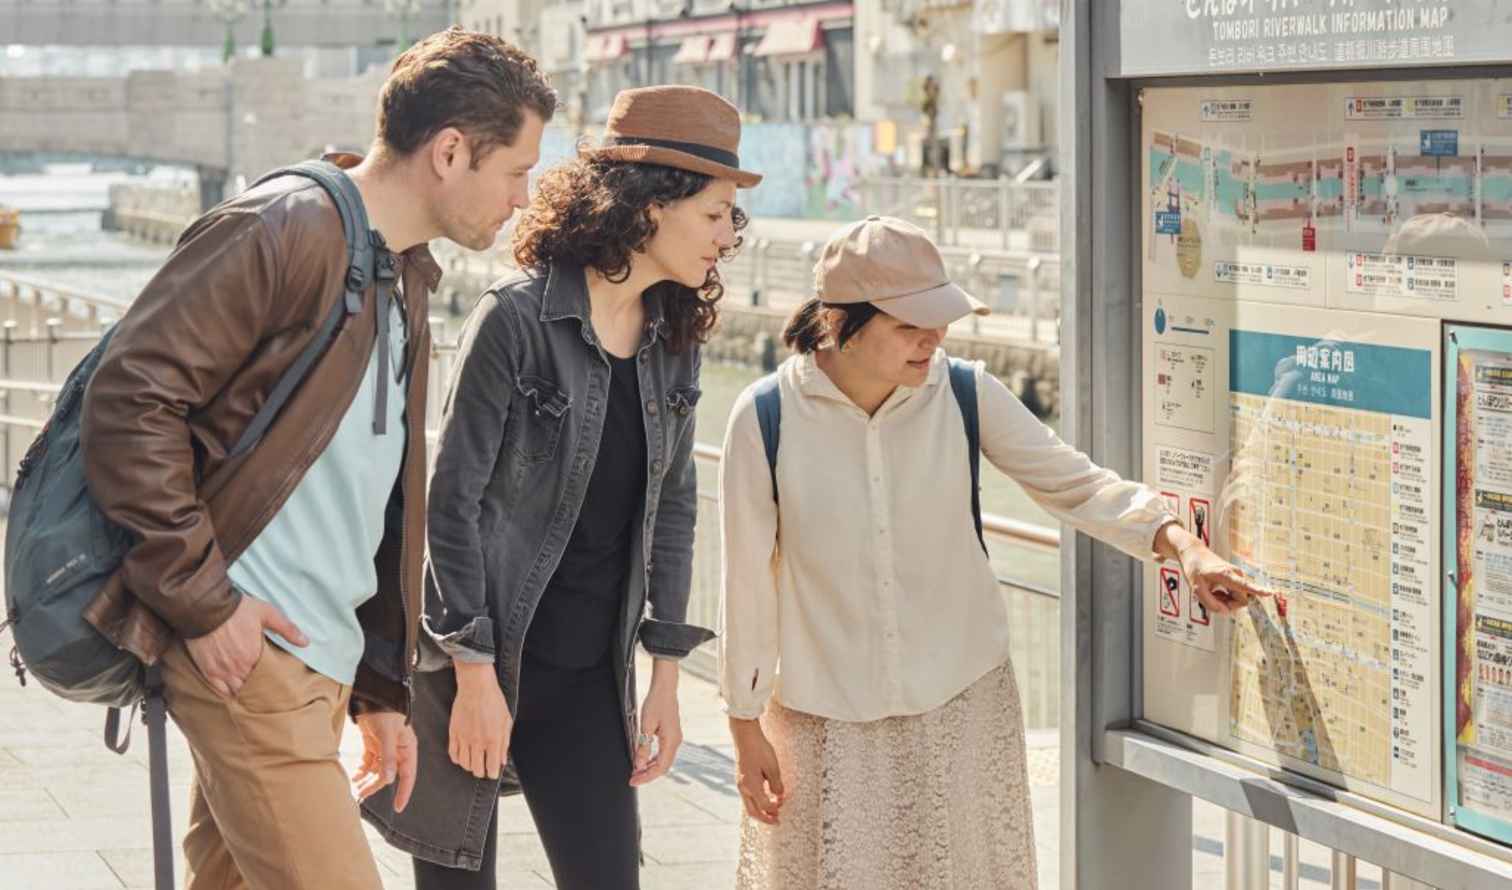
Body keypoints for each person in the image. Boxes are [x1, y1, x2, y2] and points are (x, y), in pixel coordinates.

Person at [79, 28, 555, 889]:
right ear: (451, 151)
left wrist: (379, 685)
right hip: (251, 652)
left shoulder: (400, 270)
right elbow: (128, 401)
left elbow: (371, 499)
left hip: (315, 660)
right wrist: (206, 602)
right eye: (517, 169)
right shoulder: (286, 228)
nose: (525, 198)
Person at [718, 216, 1270, 890]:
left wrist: (1181, 545)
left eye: (940, 319)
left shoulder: (964, 392)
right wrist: (744, 729)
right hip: (826, 717)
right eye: (908, 325)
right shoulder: (766, 416)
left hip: (961, 701)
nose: (935, 338)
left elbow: (1075, 483)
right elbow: (744, 582)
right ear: (841, 322)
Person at [361, 85, 761, 889]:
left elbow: (675, 509)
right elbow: (452, 505)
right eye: (716, 214)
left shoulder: (671, 339)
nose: (729, 238)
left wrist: (666, 679)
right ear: (650, 205)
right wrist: (474, 676)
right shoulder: (514, 321)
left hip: (587, 677)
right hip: (473, 665)